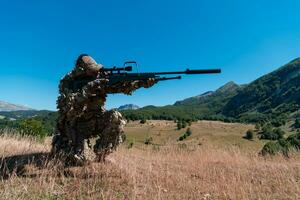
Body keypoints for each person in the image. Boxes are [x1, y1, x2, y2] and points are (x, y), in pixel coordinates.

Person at [52, 54, 155, 164]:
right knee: (77, 160)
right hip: (75, 125)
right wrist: (88, 89)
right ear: (81, 70)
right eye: (92, 71)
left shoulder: (99, 78)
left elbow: (121, 86)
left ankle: (101, 156)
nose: (96, 73)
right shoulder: (68, 81)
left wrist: (140, 83)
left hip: (95, 120)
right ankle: (65, 147)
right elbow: (68, 108)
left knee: (115, 117)